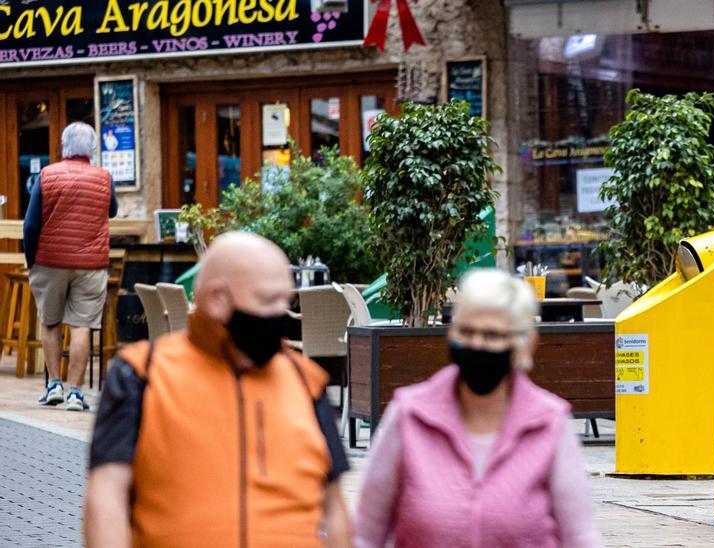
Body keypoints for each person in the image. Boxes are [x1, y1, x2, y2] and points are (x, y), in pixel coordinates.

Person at [84, 232, 352, 547]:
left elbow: (333, 506)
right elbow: (106, 496)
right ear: (216, 298)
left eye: (286, 301)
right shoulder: (141, 374)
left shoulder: (305, 381)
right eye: (268, 300)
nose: (283, 315)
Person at [354, 269, 601, 548]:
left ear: (526, 344)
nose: (477, 344)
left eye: (492, 335)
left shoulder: (550, 424)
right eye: (466, 331)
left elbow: (580, 538)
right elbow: (364, 534)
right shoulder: (409, 416)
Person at [24, 122, 118, 411]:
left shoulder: (46, 175)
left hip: (50, 261)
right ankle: (76, 393)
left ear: (64, 146)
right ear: (91, 149)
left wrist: (32, 261)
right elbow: (111, 210)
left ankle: (54, 385)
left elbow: (30, 225)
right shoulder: (105, 178)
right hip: (90, 264)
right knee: (82, 325)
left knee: (50, 321)